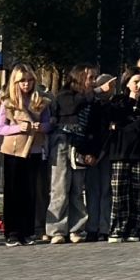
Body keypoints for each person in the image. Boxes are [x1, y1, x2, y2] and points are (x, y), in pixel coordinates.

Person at [46, 65, 112, 244]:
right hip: (63, 142)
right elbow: (71, 106)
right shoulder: (65, 94)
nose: (93, 82)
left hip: (80, 145)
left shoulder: (93, 100)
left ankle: (76, 228)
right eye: (90, 78)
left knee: (77, 188)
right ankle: (57, 229)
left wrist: (91, 150)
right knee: (60, 186)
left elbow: (94, 125)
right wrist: (97, 91)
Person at [0, 65, 54, 248]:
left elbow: (48, 124)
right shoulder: (7, 102)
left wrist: (40, 127)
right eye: (22, 81)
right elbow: (1, 128)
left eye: (29, 80)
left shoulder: (40, 101)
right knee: (13, 192)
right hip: (13, 151)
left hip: (34, 150)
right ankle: (12, 232)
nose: (26, 84)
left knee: (30, 192)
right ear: (15, 82)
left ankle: (27, 231)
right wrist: (18, 128)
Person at [103, 71, 140, 242]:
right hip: (120, 154)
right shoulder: (118, 101)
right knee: (119, 193)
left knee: (139, 194)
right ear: (127, 83)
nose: (139, 86)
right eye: (136, 82)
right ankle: (118, 228)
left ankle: (136, 229)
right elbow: (116, 117)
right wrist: (131, 99)